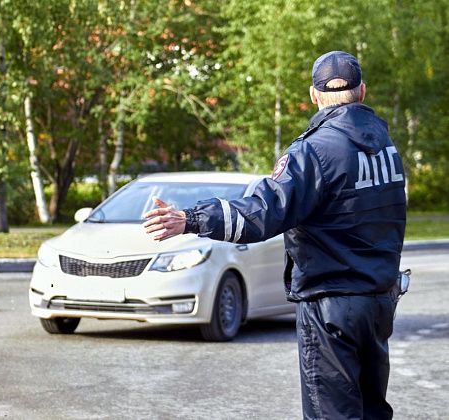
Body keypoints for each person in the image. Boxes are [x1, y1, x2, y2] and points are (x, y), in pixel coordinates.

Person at [143, 51, 406, 419]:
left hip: (331, 305)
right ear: (362, 91)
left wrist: (191, 218)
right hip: (378, 300)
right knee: (371, 410)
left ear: (314, 96)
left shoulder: (314, 150)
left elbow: (263, 213)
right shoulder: (385, 146)